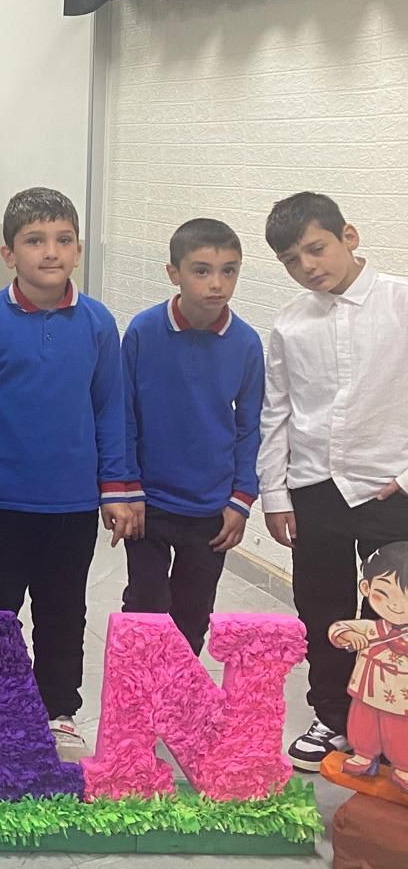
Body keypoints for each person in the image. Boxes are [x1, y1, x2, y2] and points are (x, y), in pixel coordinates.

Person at [0, 187, 133, 761]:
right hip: (1, 502)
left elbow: (111, 408)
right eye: (34, 240)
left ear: (78, 250)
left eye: (63, 240)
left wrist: (115, 488)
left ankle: (58, 714)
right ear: (9, 254)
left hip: (73, 504)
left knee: (63, 612)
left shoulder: (98, 323)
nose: (50, 252)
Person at [257, 191, 408, 770]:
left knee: (392, 612)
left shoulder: (400, 301)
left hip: (391, 487)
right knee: (321, 606)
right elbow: (277, 411)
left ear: (350, 235)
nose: (308, 266)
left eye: (316, 249)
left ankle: (391, 721)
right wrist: (275, 493)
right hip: (315, 486)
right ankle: (333, 716)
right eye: (291, 260)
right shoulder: (291, 323)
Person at [120, 218, 264, 655]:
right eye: (202, 270)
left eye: (229, 270)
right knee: (146, 604)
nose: (217, 283)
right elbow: (122, 414)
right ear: (174, 273)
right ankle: (139, 687)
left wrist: (242, 498)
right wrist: (125, 487)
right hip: (148, 501)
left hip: (212, 507)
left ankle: (180, 690)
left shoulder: (246, 343)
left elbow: (252, 426)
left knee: (193, 611)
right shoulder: (143, 331)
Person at [327, 542, 408, 792]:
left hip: (400, 698)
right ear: (366, 588)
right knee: (361, 723)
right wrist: (349, 636)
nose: (396, 605)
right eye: (384, 593)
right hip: (365, 691)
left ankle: (403, 766)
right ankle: (363, 755)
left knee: (400, 731)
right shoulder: (373, 628)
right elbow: (338, 629)